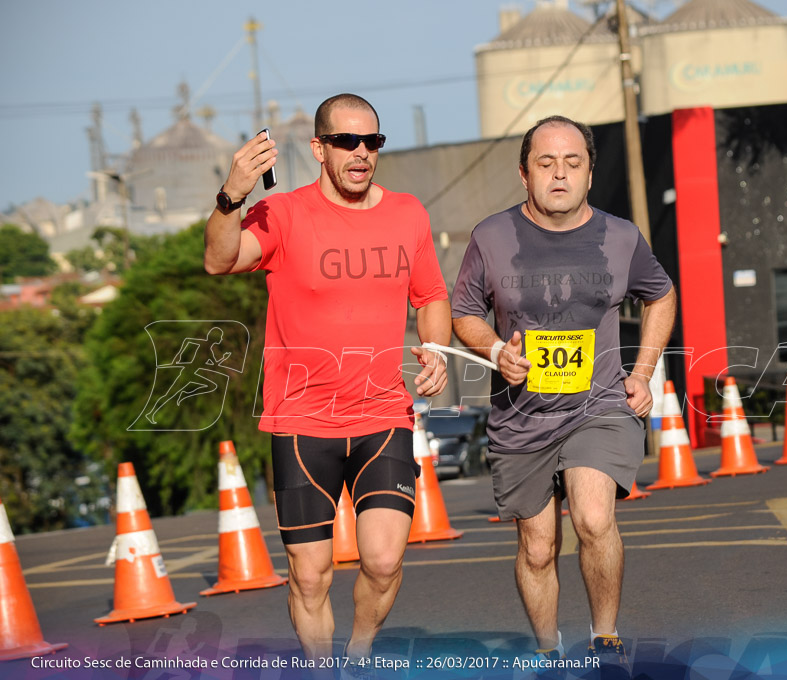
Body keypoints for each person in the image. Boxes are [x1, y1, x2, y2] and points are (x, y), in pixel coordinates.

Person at [203, 93, 451, 670]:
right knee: (310, 576)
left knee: (385, 561)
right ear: (319, 148)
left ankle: (359, 655)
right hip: (299, 422)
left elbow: (432, 294)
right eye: (346, 142)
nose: (361, 153)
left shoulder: (409, 213)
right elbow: (219, 259)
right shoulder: (283, 213)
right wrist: (232, 194)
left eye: (372, 142)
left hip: (383, 413)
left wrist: (435, 349)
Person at [451, 116, 676, 672]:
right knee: (537, 547)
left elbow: (661, 296)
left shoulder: (620, 236)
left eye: (572, 163)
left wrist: (642, 372)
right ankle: (549, 652)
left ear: (590, 174)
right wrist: (496, 348)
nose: (560, 174)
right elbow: (462, 313)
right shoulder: (491, 236)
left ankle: (605, 641)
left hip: (597, 407)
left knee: (594, 518)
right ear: (523, 174)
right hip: (520, 416)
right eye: (546, 163)